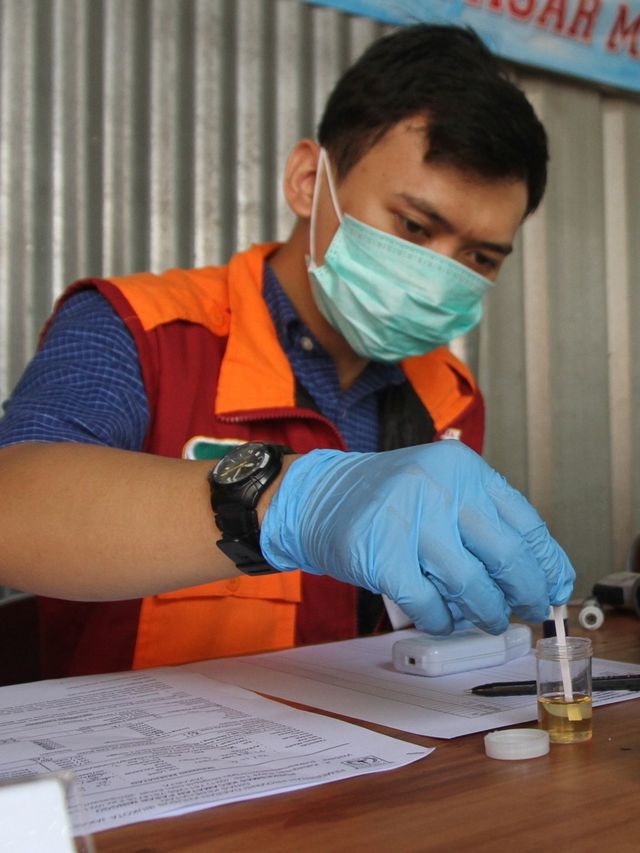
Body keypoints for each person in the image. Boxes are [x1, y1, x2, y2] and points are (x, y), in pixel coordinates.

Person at [0, 23, 574, 677]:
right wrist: (282, 497)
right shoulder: (140, 332)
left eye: (479, 257)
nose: (440, 271)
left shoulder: (447, 397)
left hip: (368, 763)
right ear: (308, 180)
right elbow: (11, 506)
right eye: (414, 226)